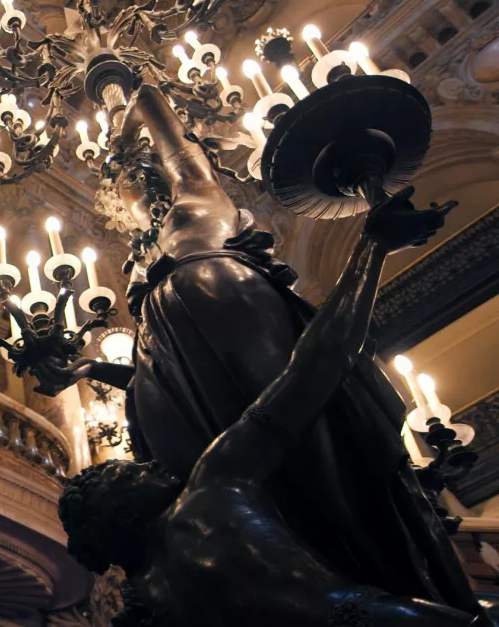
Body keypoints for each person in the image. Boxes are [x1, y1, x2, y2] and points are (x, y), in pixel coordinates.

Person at [33, 83, 482, 614]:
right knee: (283, 477)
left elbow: (181, 150)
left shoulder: (193, 220)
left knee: (305, 454)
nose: (126, 197)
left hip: (210, 319)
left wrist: (134, 104)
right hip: (186, 380)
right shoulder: (158, 262)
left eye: (133, 182)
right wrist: (92, 367)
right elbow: (178, 377)